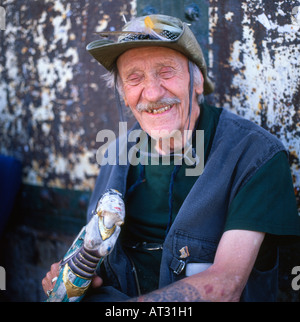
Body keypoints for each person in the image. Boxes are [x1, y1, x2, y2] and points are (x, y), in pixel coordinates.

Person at [42, 14, 300, 302]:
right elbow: (92, 250)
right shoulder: (116, 153)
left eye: (166, 72)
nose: (152, 94)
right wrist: (73, 272)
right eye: (134, 78)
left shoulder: (256, 156)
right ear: (124, 94)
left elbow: (226, 284)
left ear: (198, 80)